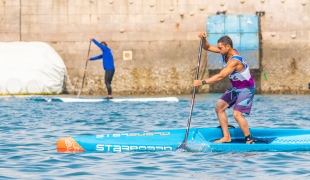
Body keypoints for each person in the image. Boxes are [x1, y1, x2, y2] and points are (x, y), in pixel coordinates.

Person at [193, 33, 256, 144]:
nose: (219, 50)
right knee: (219, 107)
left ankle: (249, 139)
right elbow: (207, 47)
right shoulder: (224, 51)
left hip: (246, 89)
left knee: (236, 114)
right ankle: (226, 137)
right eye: (219, 48)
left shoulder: (235, 61)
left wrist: (202, 82)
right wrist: (203, 39)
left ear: (228, 47)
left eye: (220, 48)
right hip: (236, 87)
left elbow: (221, 76)